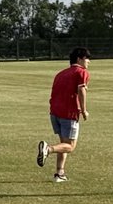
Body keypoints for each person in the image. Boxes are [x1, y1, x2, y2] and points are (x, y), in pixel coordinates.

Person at [37, 47, 90, 183]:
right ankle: (48, 149)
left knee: (64, 144)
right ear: (79, 59)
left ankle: (59, 173)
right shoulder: (81, 72)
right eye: (87, 58)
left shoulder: (61, 73)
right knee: (70, 146)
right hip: (68, 113)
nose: (89, 62)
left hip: (55, 112)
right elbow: (81, 90)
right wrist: (84, 110)